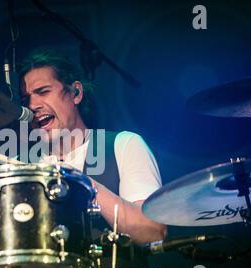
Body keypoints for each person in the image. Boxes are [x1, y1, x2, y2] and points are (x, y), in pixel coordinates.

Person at [17, 50, 166, 247]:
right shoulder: (19, 166)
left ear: (76, 93)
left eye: (43, 92)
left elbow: (152, 231)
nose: (33, 105)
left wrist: (81, 183)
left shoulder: (123, 145)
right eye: (25, 100)